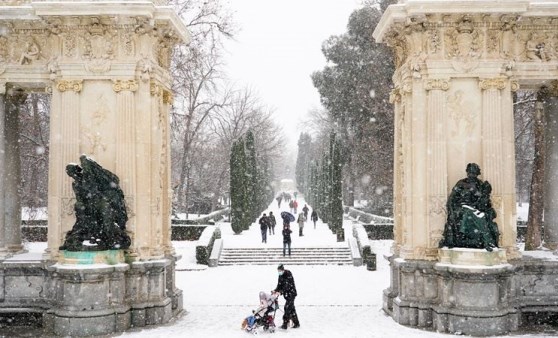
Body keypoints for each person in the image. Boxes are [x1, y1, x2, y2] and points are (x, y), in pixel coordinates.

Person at [273, 264, 300, 329]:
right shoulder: (280, 276)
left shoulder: (288, 274)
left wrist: (281, 292)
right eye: (278, 271)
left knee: (287, 308)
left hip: (291, 294)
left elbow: (287, 285)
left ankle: (285, 324)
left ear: (283, 269)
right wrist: (275, 290)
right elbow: (279, 285)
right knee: (292, 309)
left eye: (280, 270)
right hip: (287, 295)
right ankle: (296, 323)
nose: (279, 272)